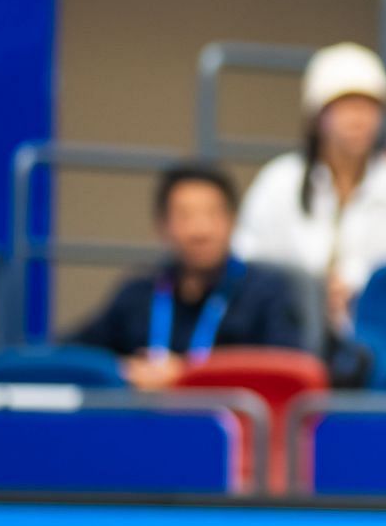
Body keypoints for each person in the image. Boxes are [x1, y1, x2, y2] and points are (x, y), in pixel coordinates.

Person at [231, 42, 386, 335]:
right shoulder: (279, 180)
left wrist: (356, 284)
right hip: (291, 326)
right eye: (346, 107)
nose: (359, 119)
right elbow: (248, 258)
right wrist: (310, 289)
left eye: (369, 107)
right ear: (317, 116)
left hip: (382, 328)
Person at [67, 163, 302, 389]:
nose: (200, 230)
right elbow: (74, 354)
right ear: (162, 226)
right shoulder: (138, 295)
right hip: (149, 425)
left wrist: (188, 375)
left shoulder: (267, 293)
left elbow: (285, 373)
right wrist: (123, 369)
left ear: (233, 222)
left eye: (213, 214)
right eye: (185, 216)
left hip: (233, 425)